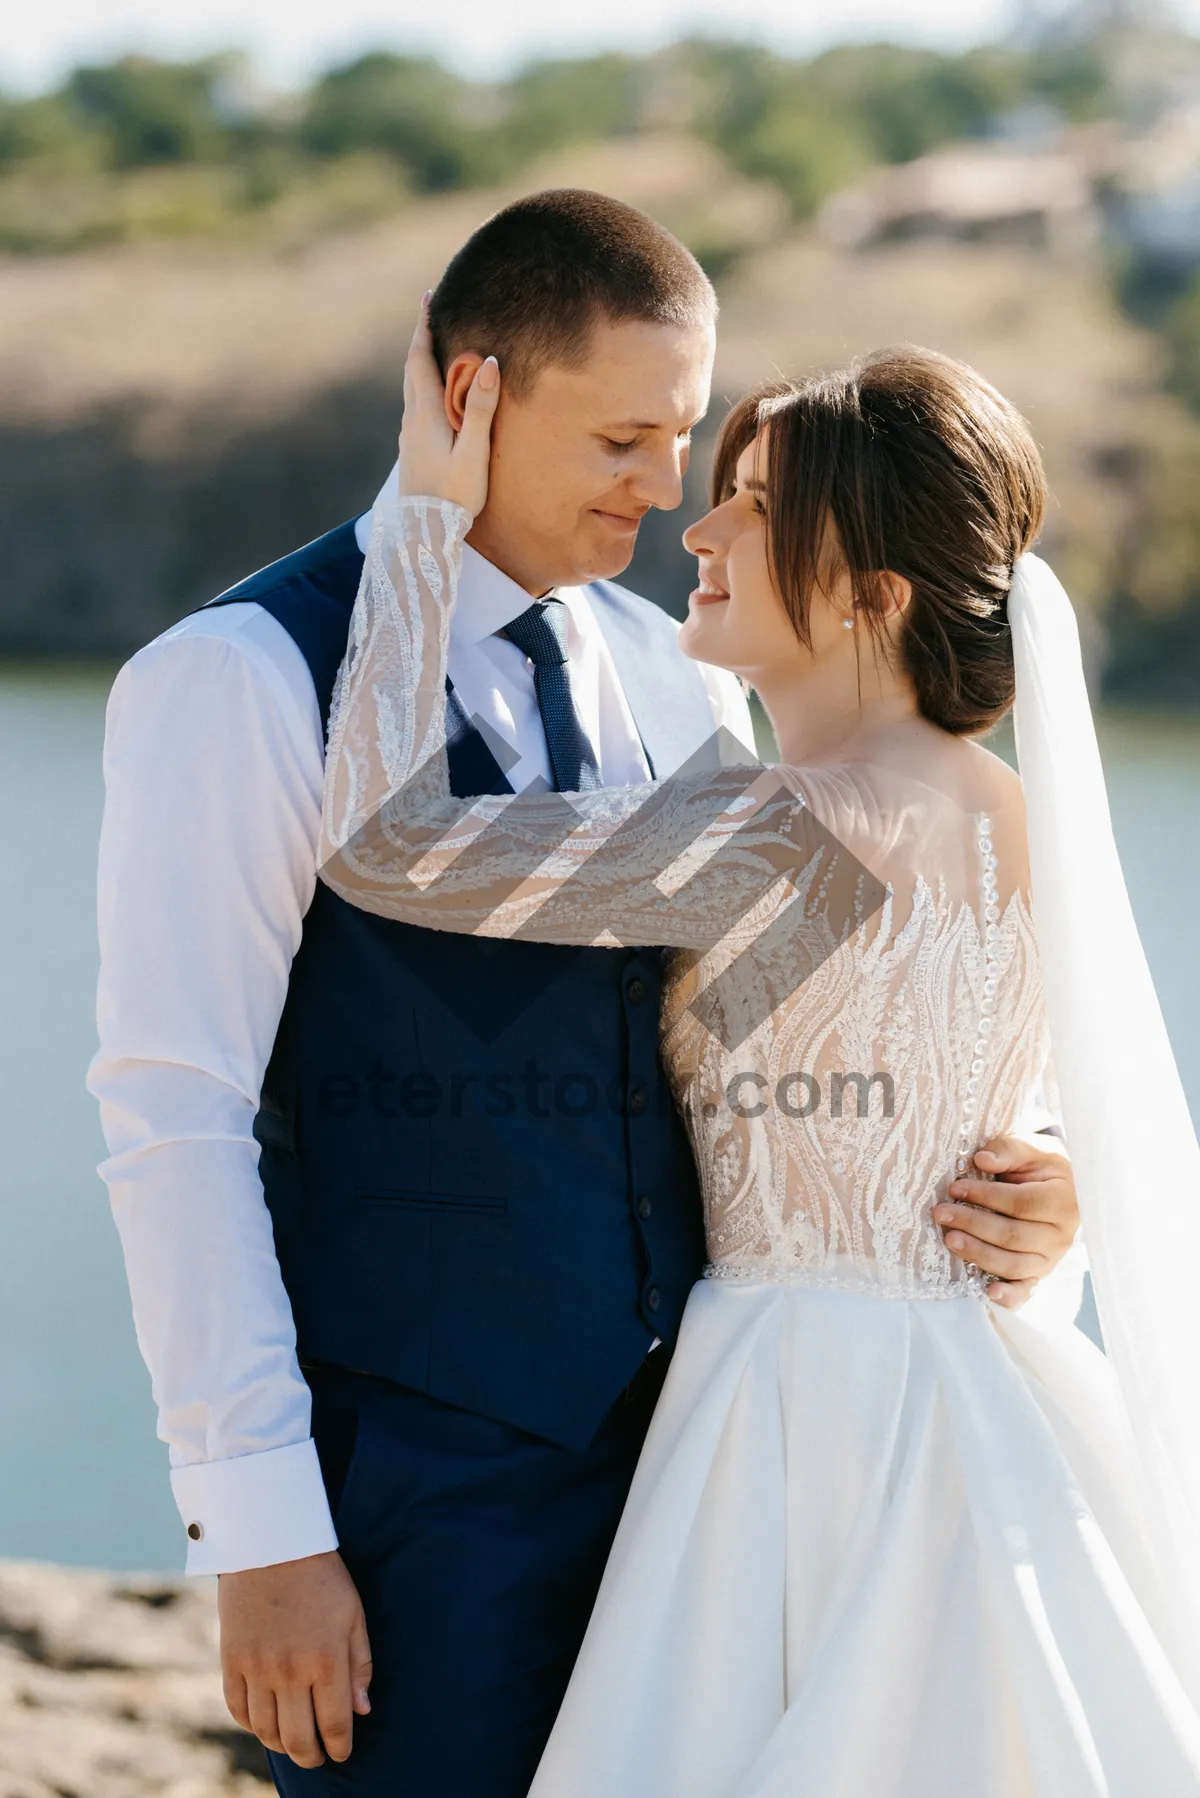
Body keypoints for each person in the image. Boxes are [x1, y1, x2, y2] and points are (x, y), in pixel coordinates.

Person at [88, 191, 1080, 1798]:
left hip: (718, 1482)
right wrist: (257, 1526)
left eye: (690, 441)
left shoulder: (682, 666)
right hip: (429, 1507)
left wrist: (1036, 1185)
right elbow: (171, 1122)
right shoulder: (241, 675)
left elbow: (847, 1015)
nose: (667, 491)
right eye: (625, 437)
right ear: (467, 397)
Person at [315, 313, 1200, 1792]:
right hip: (992, 1406)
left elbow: (384, 843)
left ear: (872, 591)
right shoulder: (1017, 817)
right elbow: (973, 1092)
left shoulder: (782, 832)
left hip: (793, 1421)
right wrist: (1053, 1197)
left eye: (758, 505)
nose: (699, 523)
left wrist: (423, 521)